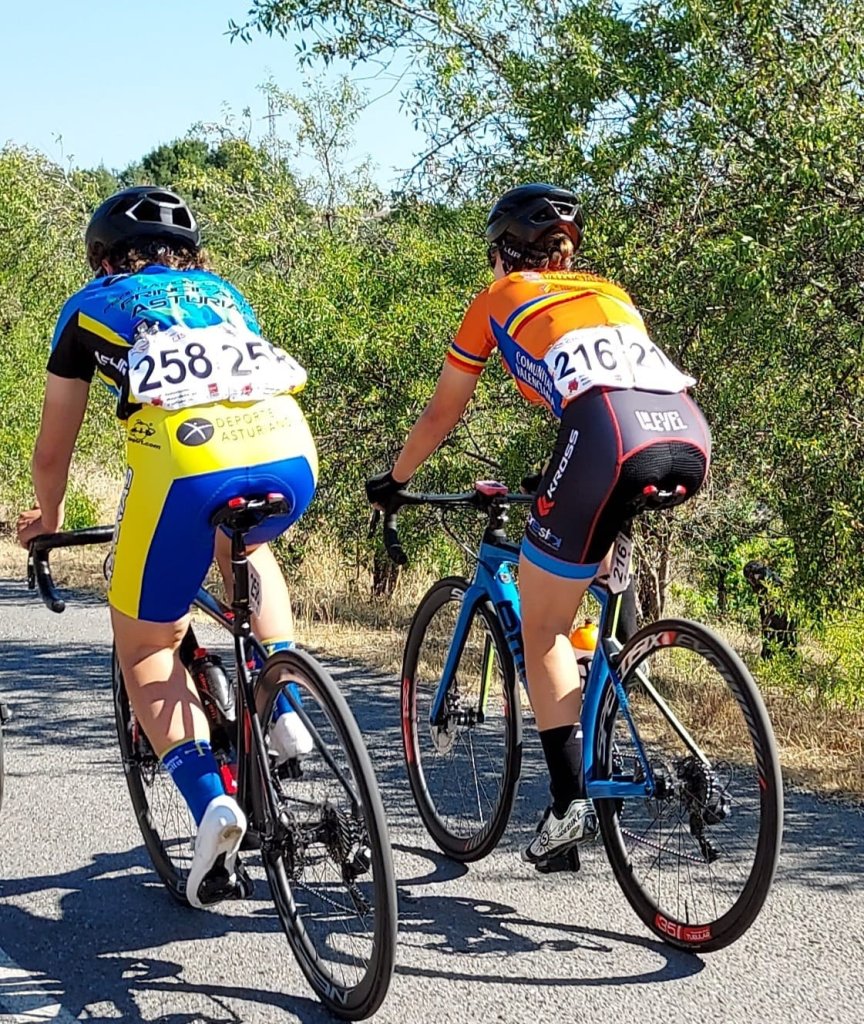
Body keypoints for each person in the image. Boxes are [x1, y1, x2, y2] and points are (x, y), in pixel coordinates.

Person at [366, 183, 711, 869]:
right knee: (586, 582)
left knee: (541, 622)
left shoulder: (498, 297)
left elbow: (442, 413)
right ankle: (603, 687)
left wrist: (395, 480)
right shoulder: (609, 292)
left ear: (503, 252)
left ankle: (567, 803)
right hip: (684, 436)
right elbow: (612, 389)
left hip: (607, 438)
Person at [17, 186, 318, 907]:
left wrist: (47, 517)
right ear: (188, 254)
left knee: (147, 644)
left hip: (185, 464)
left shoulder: (91, 305)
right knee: (247, 549)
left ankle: (211, 801)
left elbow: (54, 450)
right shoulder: (223, 293)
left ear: (103, 259)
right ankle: (281, 697)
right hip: (290, 453)